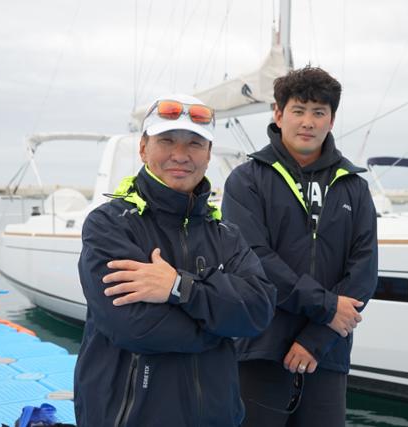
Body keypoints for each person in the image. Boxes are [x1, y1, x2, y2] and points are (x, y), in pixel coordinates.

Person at [74, 94, 277, 427]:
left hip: (217, 417)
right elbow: (134, 327)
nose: (180, 155)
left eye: (195, 144)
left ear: (209, 155)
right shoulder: (109, 224)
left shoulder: (225, 233)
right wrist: (222, 328)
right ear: (143, 148)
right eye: (166, 140)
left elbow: (258, 311)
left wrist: (179, 287)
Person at [222, 67, 378, 426]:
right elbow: (253, 259)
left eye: (319, 112)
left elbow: (364, 270)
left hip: (326, 353)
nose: (308, 122)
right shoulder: (246, 180)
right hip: (259, 347)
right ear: (278, 114)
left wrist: (317, 338)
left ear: (331, 120)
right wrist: (326, 307)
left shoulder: (353, 186)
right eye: (298, 110)